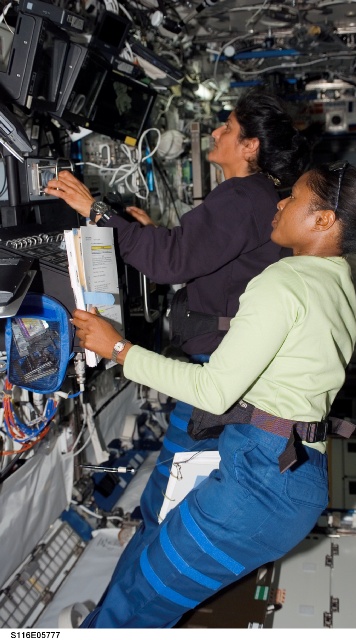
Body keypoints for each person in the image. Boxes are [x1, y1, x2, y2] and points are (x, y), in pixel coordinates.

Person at [71, 161, 356, 628]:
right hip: (288, 471)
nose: (279, 203)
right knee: (148, 571)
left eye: (292, 197)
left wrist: (117, 348)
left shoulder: (285, 282)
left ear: (323, 220)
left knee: (140, 601)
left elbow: (212, 390)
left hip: (260, 485)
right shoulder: (337, 282)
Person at [45, 89, 309, 540]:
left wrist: (95, 209)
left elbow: (170, 263)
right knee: (182, 469)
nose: (216, 131)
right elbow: (208, 259)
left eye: (227, 127)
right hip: (232, 368)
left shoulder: (244, 197)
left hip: (220, 370)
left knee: (176, 474)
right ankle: (158, 536)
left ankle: (154, 550)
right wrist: (154, 235)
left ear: (250, 147)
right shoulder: (261, 197)